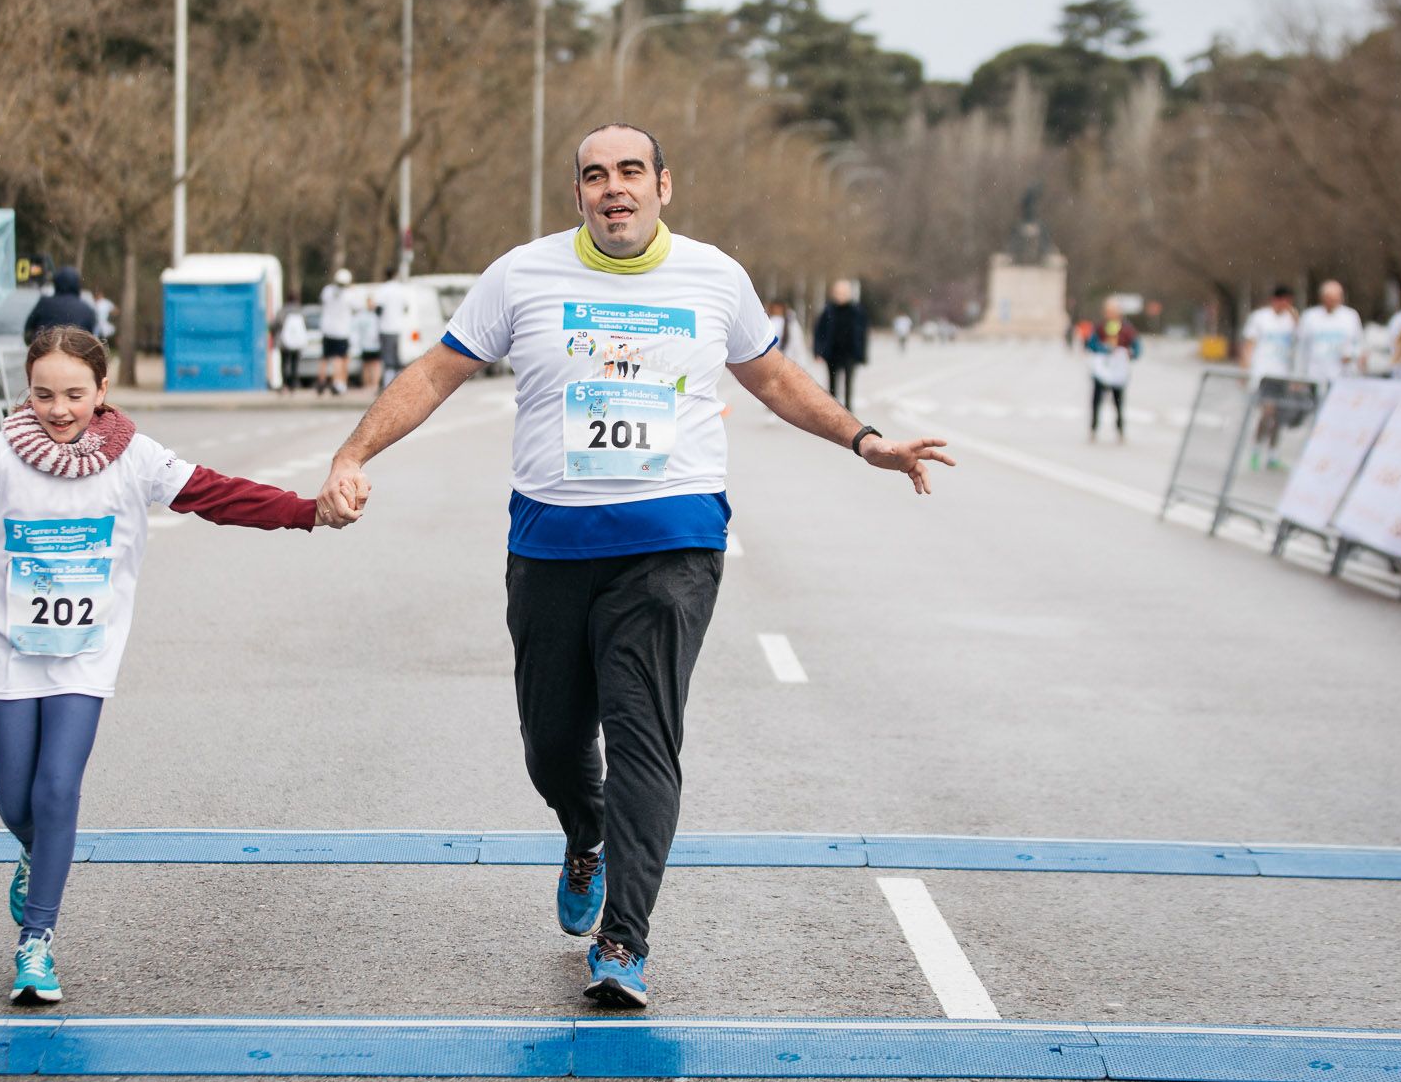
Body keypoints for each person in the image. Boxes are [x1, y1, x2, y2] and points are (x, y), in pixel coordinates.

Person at [315, 123, 953, 1009]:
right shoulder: (522, 274)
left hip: (672, 542)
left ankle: (624, 940)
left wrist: (866, 439)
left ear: (663, 184)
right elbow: (434, 372)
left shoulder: (713, 276)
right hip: (550, 544)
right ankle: (586, 834)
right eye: (594, 176)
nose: (614, 188)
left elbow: (773, 379)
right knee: (551, 744)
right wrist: (355, 452)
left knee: (645, 734)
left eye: (629, 172)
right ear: (577, 194)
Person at [0, 326, 343, 1004]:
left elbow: (217, 494)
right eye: (43, 394)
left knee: (56, 791)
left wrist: (304, 512)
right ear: (26, 391)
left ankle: (37, 942)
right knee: (14, 802)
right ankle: (35, 852)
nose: (58, 409)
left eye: (74, 394)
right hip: (9, 649)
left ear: (102, 391)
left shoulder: (135, 457)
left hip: (84, 653)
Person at [1240, 285, 1298, 471]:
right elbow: (1249, 344)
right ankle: (1256, 450)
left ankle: (1273, 454)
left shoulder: (1292, 320)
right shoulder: (1261, 318)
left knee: (1279, 417)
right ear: (1275, 300)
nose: (1286, 305)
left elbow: (1301, 342)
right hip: (1264, 374)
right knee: (1267, 413)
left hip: (1283, 374)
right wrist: (1245, 370)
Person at [1084, 297, 1141, 441]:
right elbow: (1091, 344)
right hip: (1101, 372)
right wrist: (1104, 348)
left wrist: (1129, 352)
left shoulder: (1128, 329)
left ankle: (1120, 429)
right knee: (1096, 402)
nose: (1110, 314)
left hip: (1118, 373)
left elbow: (1137, 349)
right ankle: (1094, 429)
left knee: (1118, 403)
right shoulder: (1099, 327)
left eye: (1113, 311)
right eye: (1108, 311)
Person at [812, 279, 868, 410]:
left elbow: (862, 334)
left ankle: (848, 410)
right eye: (838, 292)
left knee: (849, 382)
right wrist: (818, 351)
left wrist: (862, 354)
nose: (841, 295)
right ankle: (833, 409)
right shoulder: (828, 310)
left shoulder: (857, 311)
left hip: (850, 352)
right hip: (832, 352)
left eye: (844, 292)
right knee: (832, 383)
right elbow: (819, 332)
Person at [1296, 280, 1362, 386]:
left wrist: (1351, 355)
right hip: (1314, 375)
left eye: (1336, 298)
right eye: (1330, 298)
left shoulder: (1350, 316)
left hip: (1342, 376)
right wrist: (1299, 375)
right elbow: (1301, 347)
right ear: (1323, 298)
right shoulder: (1310, 317)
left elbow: (1359, 344)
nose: (1333, 302)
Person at [22, 266, 99, 343]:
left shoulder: (44, 304)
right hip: (75, 353)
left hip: (46, 352)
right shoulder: (87, 310)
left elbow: (28, 331)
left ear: (56, 283)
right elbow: (91, 340)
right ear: (77, 285)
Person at [316, 268, 354, 396]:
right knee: (339, 358)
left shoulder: (327, 291)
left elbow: (322, 301)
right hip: (341, 331)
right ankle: (337, 383)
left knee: (325, 357)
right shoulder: (349, 295)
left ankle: (321, 382)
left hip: (327, 329)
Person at [375, 279, 408, 389]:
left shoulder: (383, 289)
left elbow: (379, 309)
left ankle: (388, 384)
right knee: (396, 357)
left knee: (387, 357)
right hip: (398, 328)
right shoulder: (400, 289)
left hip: (386, 327)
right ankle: (397, 383)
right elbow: (406, 308)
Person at [277, 299, 309, 393]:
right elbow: (305, 324)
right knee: (294, 364)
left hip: (284, 342)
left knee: (284, 363)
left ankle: (285, 384)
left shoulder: (282, 311)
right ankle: (293, 385)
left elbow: (276, 323)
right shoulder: (300, 311)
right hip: (297, 342)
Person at [355, 295, 383, 393]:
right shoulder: (362, 315)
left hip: (376, 344)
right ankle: (367, 385)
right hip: (365, 344)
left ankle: (375, 384)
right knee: (366, 365)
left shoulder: (378, 314)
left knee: (376, 364)